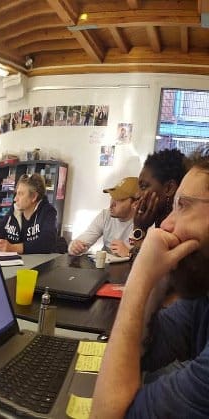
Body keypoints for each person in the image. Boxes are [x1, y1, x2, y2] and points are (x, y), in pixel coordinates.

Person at [91, 147, 209, 418]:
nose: (166, 225)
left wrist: (140, 280)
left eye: (184, 205)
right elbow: (145, 353)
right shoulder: (202, 299)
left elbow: (107, 414)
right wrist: (158, 278)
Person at [129, 149, 186, 257]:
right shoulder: (161, 222)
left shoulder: (179, 231)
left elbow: (145, 265)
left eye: (143, 186)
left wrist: (139, 228)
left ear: (169, 188)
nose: (137, 195)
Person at [0, 173, 57, 254]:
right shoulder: (14, 210)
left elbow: (47, 242)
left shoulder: (48, 211)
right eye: (16, 193)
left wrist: (13, 248)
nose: (15, 199)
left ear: (34, 197)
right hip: (15, 260)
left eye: (20, 194)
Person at [68, 177, 138, 257]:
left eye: (119, 199)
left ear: (135, 203)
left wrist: (129, 254)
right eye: (112, 197)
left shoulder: (145, 223)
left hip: (131, 265)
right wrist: (74, 247)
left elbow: (148, 261)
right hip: (104, 264)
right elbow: (84, 239)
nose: (111, 204)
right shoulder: (105, 215)